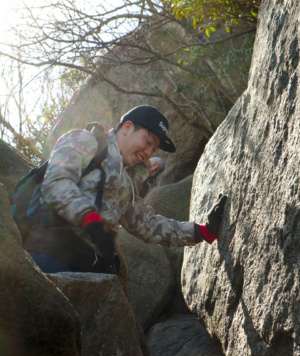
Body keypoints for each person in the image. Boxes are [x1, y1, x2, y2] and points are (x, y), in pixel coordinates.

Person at [23, 105, 227, 280]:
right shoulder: (86, 140)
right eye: (148, 142)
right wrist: (89, 219)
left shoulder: (127, 182)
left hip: (91, 265)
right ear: (127, 127)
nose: (149, 153)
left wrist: (202, 232)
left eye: (154, 150)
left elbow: (147, 225)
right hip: (52, 250)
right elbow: (56, 183)